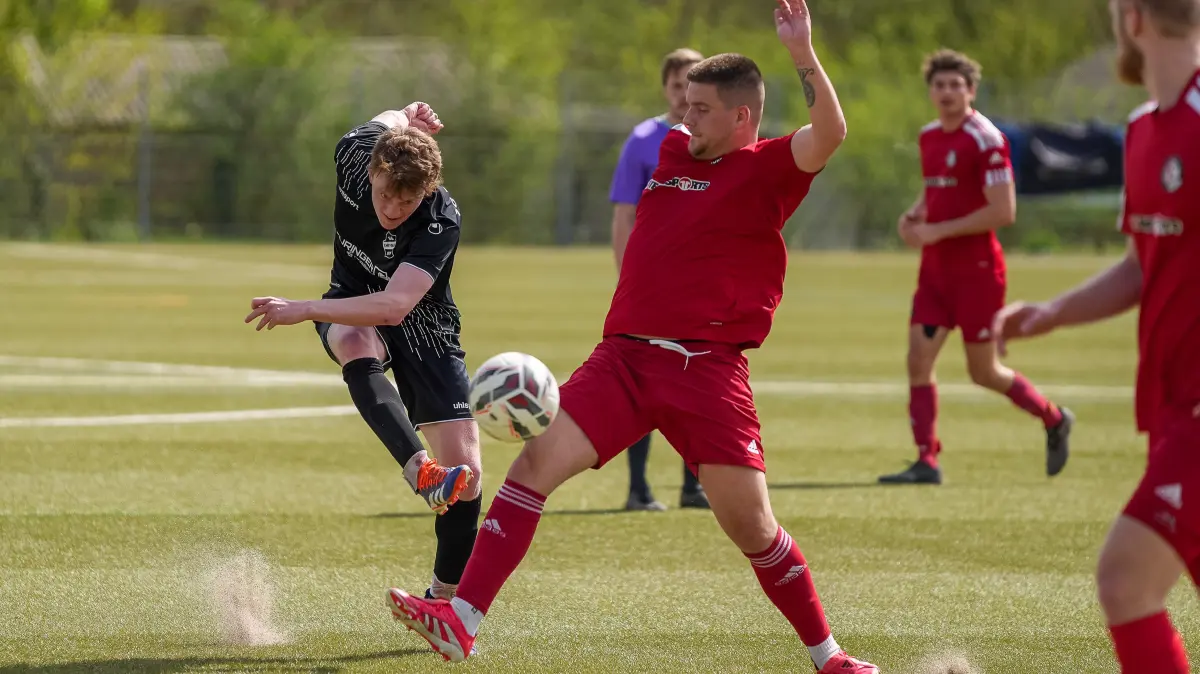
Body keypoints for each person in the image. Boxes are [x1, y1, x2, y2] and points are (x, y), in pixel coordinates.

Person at [385, 2, 878, 671]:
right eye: (683, 101)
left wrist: (801, 54)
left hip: (707, 372)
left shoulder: (769, 168)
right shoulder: (672, 148)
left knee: (754, 529)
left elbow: (831, 133)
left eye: (701, 106)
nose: (685, 113)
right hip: (622, 361)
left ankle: (830, 656)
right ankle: (462, 620)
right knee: (532, 467)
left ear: (741, 116)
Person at [994, 1, 1200, 670]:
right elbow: (1144, 265)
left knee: (1124, 581)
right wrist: (1054, 312)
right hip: (1169, 412)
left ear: (1133, 18)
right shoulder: (1143, 131)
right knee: (1130, 586)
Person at [244, 102, 483, 603]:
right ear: (371, 169)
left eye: (407, 202)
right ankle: (420, 470)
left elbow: (396, 306)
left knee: (470, 477)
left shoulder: (441, 217)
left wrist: (304, 309)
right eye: (383, 195)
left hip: (422, 319)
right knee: (353, 339)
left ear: (429, 189)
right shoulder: (355, 153)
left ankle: (442, 601)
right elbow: (390, 117)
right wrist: (408, 111)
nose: (392, 211)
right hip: (351, 299)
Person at [878, 49, 1074, 486]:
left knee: (983, 372)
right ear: (930, 91)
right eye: (939, 85)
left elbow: (1003, 211)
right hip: (935, 273)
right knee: (918, 360)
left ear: (971, 90)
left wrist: (938, 230)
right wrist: (914, 214)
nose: (946, 92)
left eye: (955, 85)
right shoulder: (930, 136)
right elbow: (937, 190)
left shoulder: (986, 139)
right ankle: (926, 460)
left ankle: (1054, 418)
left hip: (977, 272)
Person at [609, 47, 711, 512]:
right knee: (642, 378)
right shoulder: (644, 139)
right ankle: (638, 489)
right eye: (677, 85)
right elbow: (624, 213)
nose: (684, 94)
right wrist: (627, 274)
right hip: (652, 281)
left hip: (700, 280)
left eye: (694, 85)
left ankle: (694, 487)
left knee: (699, 379)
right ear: (667, 88)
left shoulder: (719, 138)